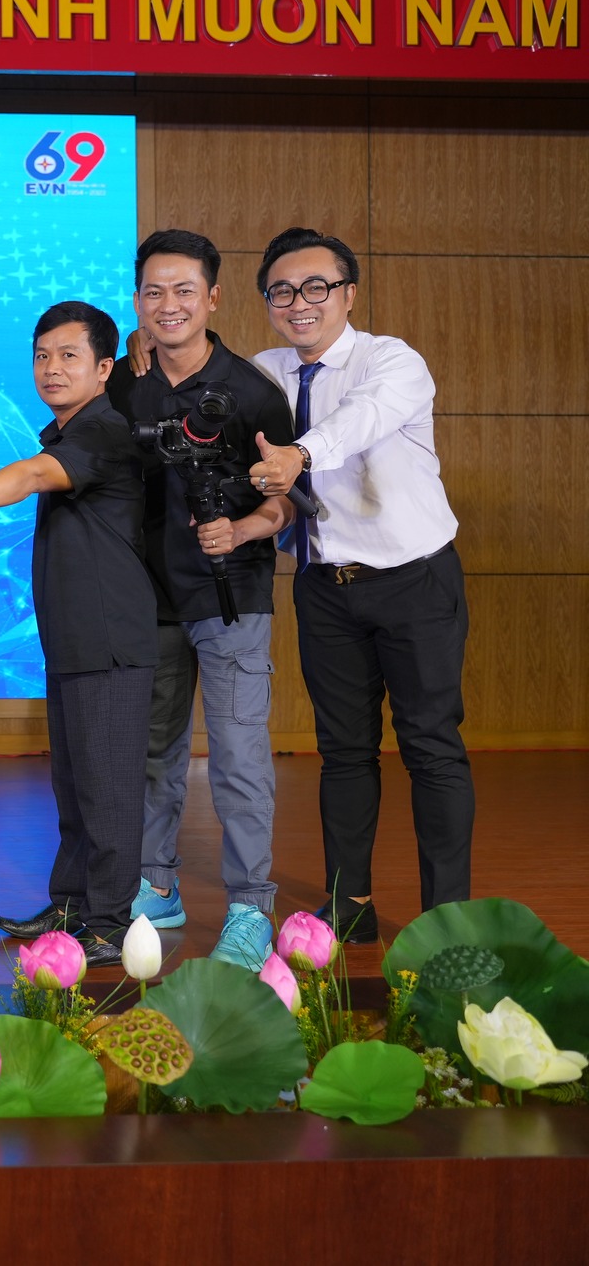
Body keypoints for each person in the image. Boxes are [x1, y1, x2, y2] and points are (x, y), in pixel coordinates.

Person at [245, 226, 473, 938]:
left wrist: (298, 454)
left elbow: (361, 420)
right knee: (343, 751)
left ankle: (447, 919)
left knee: (430, 744)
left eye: (317, 287)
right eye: (282, 291)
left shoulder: (392, 360)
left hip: (414, 579)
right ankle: (351, 907)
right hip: (324, 585)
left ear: (348, 293)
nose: (299, 303)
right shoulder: (265, 372)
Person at [0, 302, 156, 966]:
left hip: (110, 642)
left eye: (69, 355)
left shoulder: (104, 430)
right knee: (74, 789)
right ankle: (72, 904)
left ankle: (109, 922)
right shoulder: (66, 430)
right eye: (42, 355)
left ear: (104, 369)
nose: (52, 367)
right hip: (74, 640)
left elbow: (31, 475)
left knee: (107, 792)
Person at [107, 229, 297, 970]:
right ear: (137, 301)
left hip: (232, 595)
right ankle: (157, 886)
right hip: (149, 596)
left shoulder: (253, 393)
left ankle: (251, 906)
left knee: (238, 757)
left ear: (213, 297)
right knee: (154, 752)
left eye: (184, 290)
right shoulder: (127, 384)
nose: (169, 304)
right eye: (154, 291)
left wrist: (242, 528)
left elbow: (285, 501)